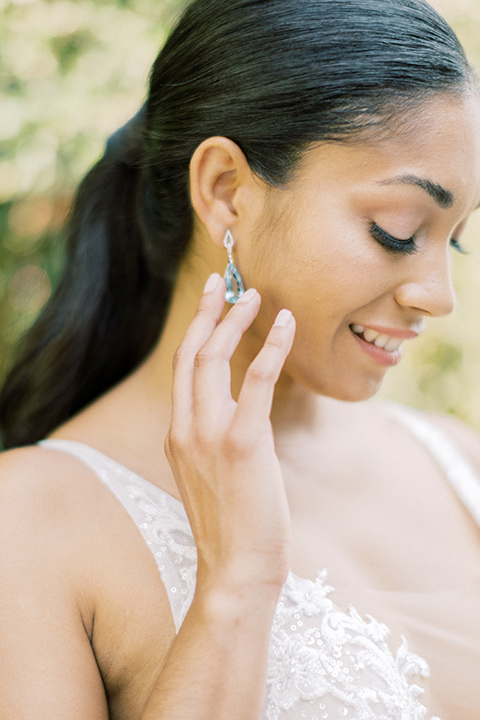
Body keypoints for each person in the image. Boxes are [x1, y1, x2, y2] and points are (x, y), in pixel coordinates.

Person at [0, 0, 479, 717]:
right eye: (396, 231)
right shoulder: (30, 524)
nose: (438, 296)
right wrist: (235, 589)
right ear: (226, 191)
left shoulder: (460, 462)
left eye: (458, 239)